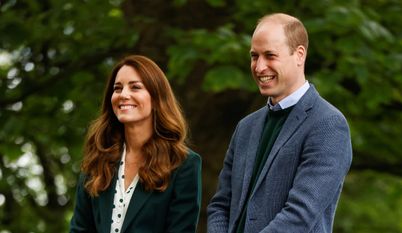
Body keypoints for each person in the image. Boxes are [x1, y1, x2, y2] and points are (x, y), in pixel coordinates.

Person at [207, 13, 352, 233]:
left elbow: (299, 216)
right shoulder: (246, 127)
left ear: (299, 55)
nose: (259, 67)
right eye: (254, 56)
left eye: (270, 55)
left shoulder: (328, 125)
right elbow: (220, 205)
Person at [69, 55, 202, 233]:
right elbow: (80, 229)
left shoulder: (183, 164)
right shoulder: (96, 161)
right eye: (117, 88)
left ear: (156, 99)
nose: (123, 95)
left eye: (135, 87)